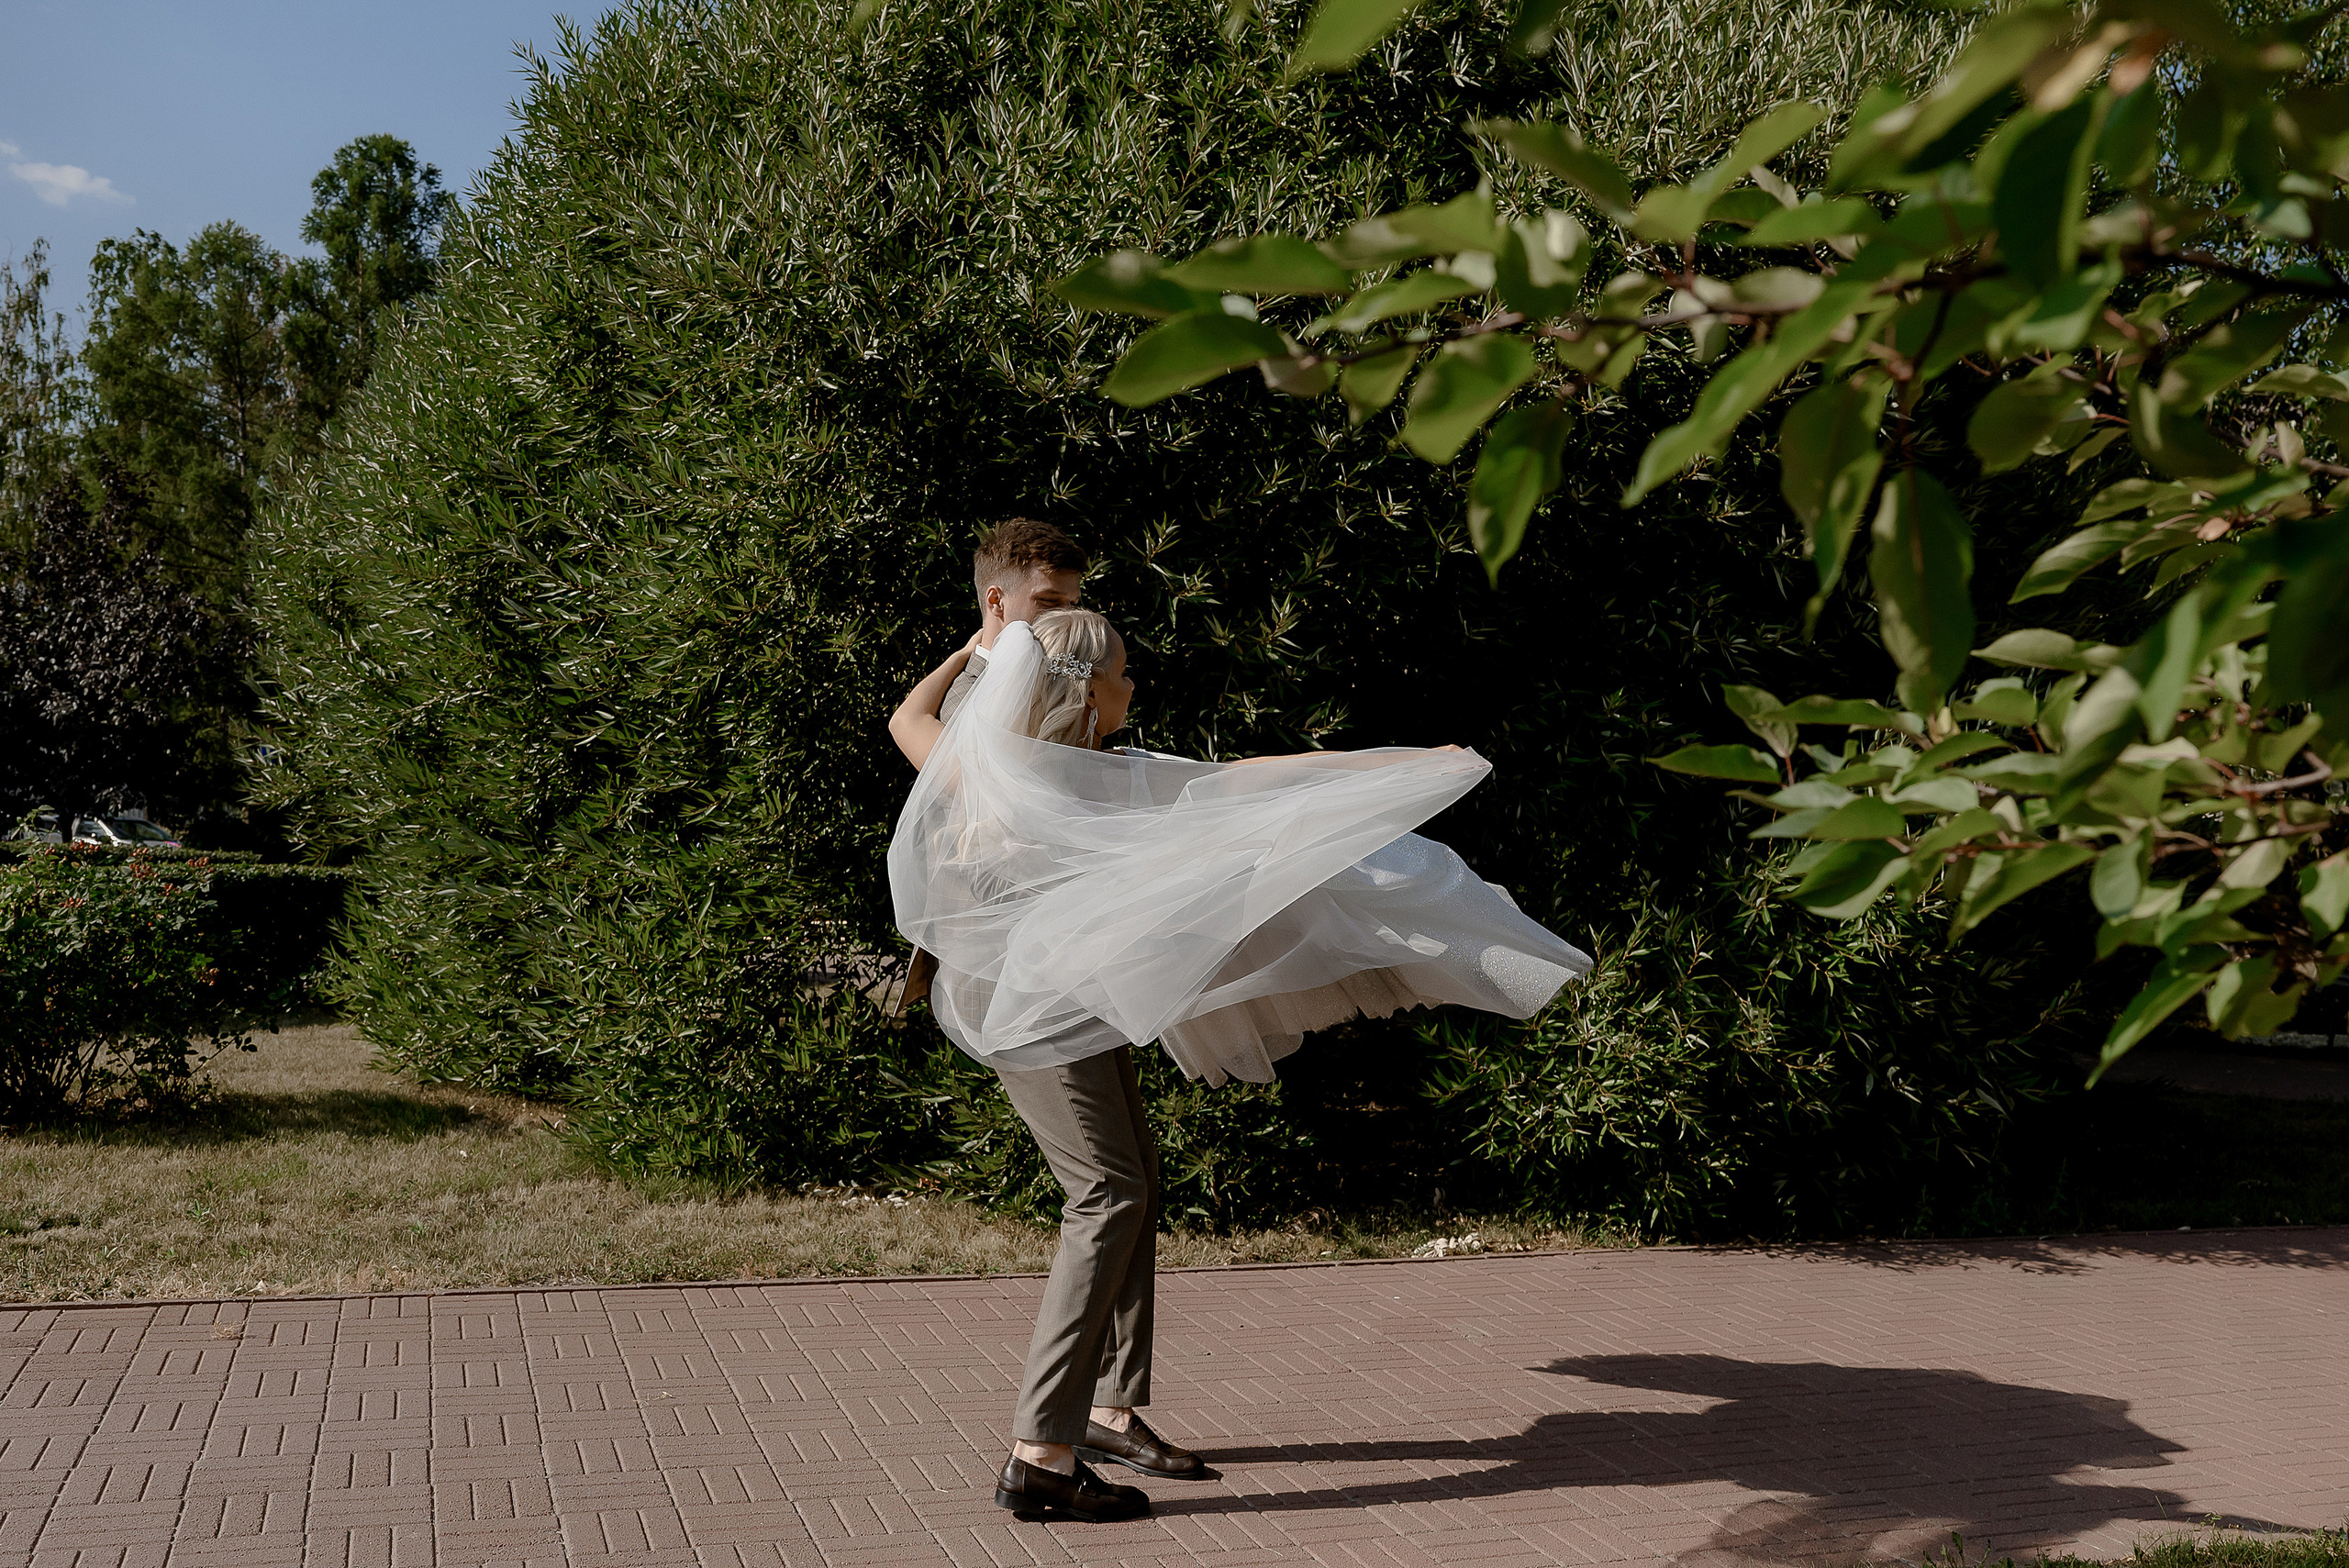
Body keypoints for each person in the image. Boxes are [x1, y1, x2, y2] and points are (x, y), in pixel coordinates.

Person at [886, 601, 1592, 1525]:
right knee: (1106, 1195)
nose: (1134, 684)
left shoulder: (992, 766)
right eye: (1123, 674)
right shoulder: (1097, 786)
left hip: (1042, 1011)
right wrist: (1408, 765)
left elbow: (906, 718)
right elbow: (1253, 780)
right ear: (1083, 696)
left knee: (1131, 1182)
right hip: (1031, 1023)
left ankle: (1102, 1406)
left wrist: (984, 648)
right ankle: (1040, 1451)